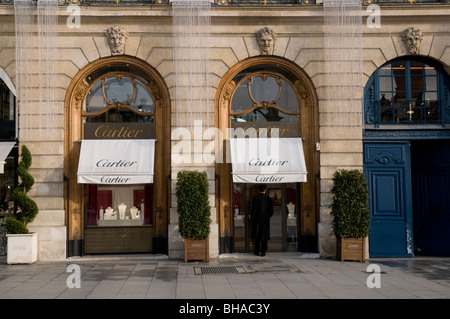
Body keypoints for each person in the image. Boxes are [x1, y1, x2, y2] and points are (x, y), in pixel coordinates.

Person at [250, 184, 274, 256]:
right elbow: (271, 211)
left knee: (257, 236)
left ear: (258, 190)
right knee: (264, 237)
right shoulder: (269, 199)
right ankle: (263, 252)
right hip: (265, 220)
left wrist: (253, 217)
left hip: (257, 220)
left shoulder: (255, 198)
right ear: (265, 190)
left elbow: (253, 210)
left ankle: (257, 251)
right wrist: (267, 217)